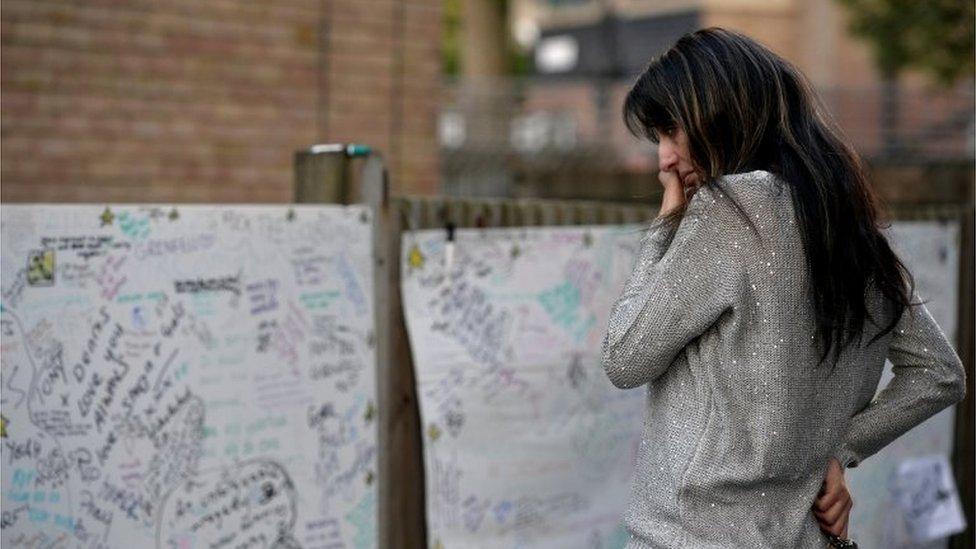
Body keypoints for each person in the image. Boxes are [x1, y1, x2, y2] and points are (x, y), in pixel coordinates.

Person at [602, 27, 967, 548]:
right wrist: (840, 450)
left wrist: (665, 223)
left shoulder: (732, 211)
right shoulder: (849, 226)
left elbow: (624, 358)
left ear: (720, 114)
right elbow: (939, 374)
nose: (663, 160)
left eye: (669, 131)